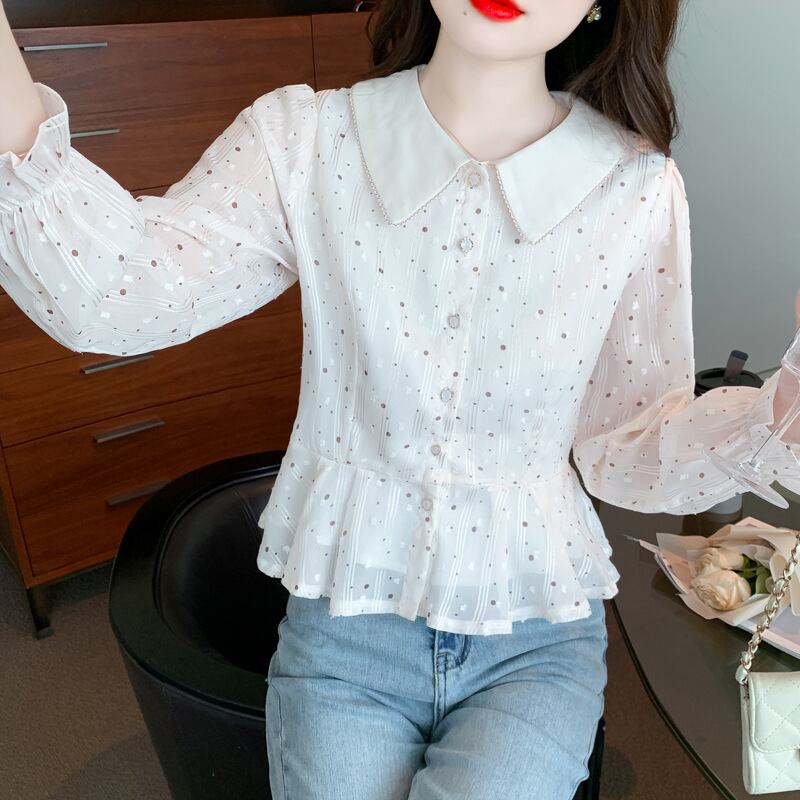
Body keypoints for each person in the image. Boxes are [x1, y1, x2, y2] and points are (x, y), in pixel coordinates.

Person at [2, 0, 800, 797]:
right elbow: (113, 292)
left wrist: (782, 411)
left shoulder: (636, 188)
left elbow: (625, 447)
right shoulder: (306, 143)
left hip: (535, 639)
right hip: (346, 631)